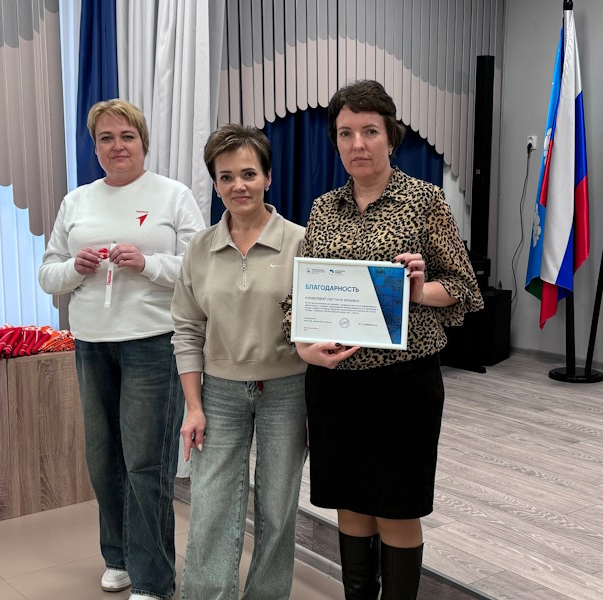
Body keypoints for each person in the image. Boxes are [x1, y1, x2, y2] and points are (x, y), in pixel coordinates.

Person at [287, 80, 483, 600]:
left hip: (403, 385)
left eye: (370, 131)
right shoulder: (323, 209)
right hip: (335, 386)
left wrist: (419, 291)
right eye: (346, 133)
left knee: (396, 508)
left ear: (390, 137)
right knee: (350, 505)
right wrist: (304, 346)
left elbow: (464, 287)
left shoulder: (425, 200)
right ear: (336, 142)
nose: (358, 144)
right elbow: (301, 294)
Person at [38, 99, 205, 600]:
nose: (117, 146)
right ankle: (117, 557)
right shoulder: (76, 201)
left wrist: (148, 263)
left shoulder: (173, 195)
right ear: (95, 148)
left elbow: (201, 269)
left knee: (145, 462)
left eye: (126, 136)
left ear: (143, 143)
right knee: (103, 456)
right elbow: (48, 273)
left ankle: (153, 579)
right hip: (92, 343)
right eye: (106, 138)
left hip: (153, 343)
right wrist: (75, 269)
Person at [172, 124, 308, 599]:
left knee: (277, 509)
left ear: (268, 177)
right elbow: (187, 331)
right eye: (226, 177)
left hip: (287, 392)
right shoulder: (199, 249)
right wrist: (194, 406)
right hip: (219, 393)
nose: (238, 186)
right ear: (215, 185)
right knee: (211, 506)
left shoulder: (302, 243)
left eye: (248, 174)